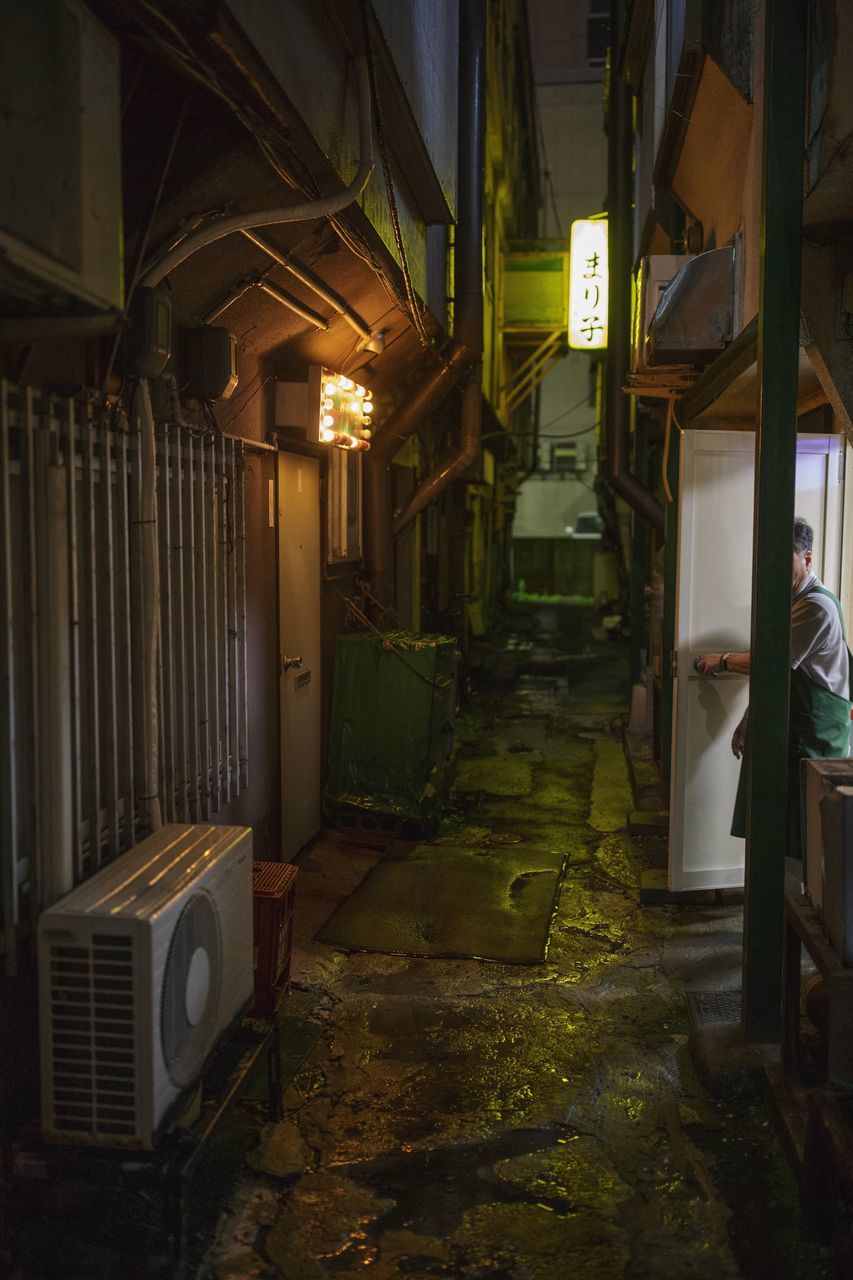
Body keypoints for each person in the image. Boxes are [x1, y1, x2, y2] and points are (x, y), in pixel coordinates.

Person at [695, 517, 852, 856]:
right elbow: (780, 677)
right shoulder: (793, 602)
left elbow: (771, 663)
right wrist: (751, 718)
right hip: (794, 729)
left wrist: (722, 661)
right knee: (780, 833)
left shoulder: (816, 607)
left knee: (803, 837)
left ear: (807, 558)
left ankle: (798, 906)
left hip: (814, 735)